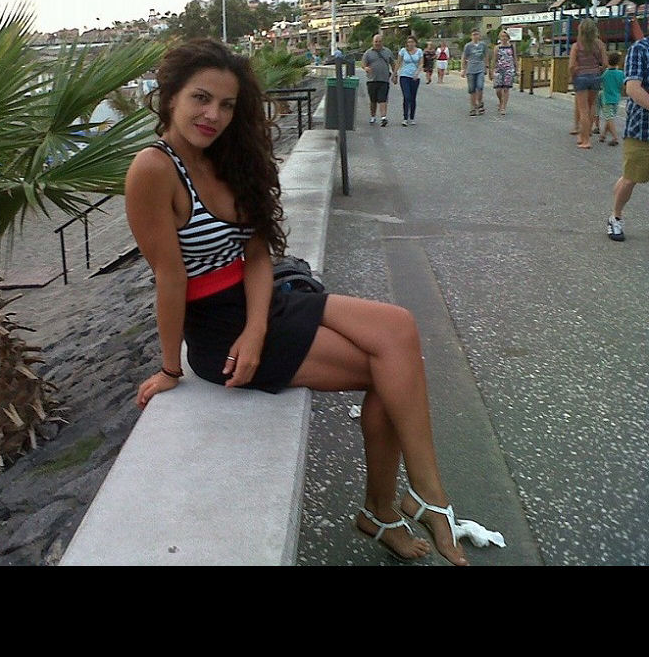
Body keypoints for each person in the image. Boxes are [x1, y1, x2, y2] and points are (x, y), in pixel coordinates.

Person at [125, 38, 471, 565]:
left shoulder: (226, 159)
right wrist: (171, 368)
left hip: (261, 306)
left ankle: (420, 496)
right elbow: (170, 280)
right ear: (170, 96)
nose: (213, 115)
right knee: (391, 372)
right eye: (201, 98)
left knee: (398, 328)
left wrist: (257, 327)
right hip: (219, 332)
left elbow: (256, 255)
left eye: (226, 104)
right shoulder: (153, 170)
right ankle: (396, 509)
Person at [607, 34, 649, 242]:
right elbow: (633, 88)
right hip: (642, 127)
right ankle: (615, 216)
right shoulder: (640, 49)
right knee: (631, 177)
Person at [569, 17, 607, 150]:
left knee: (583, 109)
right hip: (595, 76)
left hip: (581, 77)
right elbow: (605, 63)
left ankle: (585, 140)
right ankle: (586, 134)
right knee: (591, 107)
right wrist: (598, 70)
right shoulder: (599, 44)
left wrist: (573, 76)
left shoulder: (576, 46)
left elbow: (571, 65)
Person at [361, 34, 397, 127]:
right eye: (376, 41)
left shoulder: (387, 52)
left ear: (382, 42)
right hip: (371, 80)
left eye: (379, 41)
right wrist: (366, 68)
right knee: (373, 100)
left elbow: (393, 64)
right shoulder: (368, 53)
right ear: (373, 42)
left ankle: (383, 118)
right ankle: (373, 116)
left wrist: (395, 75)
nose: (377, 43)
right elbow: (363, 63)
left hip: (384, 80)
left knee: (383, 99)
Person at [461, 29, 490, 115]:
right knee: (472, 89)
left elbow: (486, 56)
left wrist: (487, 67)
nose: (475, 36)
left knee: (480, 86)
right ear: (471, 36)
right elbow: (464, 57)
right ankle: (473, 106)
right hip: (471, 69)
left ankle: (480, 103)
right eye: (474, 34)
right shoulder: (468, 46)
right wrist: (463, 69)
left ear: (479, 36)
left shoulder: (483, 45)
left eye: (477, 34)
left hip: (480, 68)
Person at [490, 29, 518, 115]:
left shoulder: (512, 47)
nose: (504, 38)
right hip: (499, 69)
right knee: (498, 89)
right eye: (502, 36)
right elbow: (494, 59)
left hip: (509, 69)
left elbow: (514, 58)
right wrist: (491, 71)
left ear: (508, 37)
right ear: (500, 37)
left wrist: (517, 69)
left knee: (506, 88)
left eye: (505, 36)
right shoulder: (497, 47)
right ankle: (501, 100)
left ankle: (503, 107)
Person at [396, 36, 423, 126]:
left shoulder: (419, 51)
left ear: (415, 43)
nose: (410, 44)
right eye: (408, 42)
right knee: (406, 96)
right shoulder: (403, 51)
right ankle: (405, 118)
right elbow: (398, 62)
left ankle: (412, 117)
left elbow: (421, 63)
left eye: (412, 42)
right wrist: (395, 74)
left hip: (415, 77)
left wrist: (417, 73)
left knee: (412, 98)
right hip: (404, 76)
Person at [598, 51, 624, 145]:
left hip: (607, 99)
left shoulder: (605, 74)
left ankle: (615, 137)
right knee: (610, 118)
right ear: (618, 62)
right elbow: (622, 86)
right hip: (616, 98)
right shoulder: (621, 73)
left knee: (609, 118)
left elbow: (599, 83)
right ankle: (603, 135)